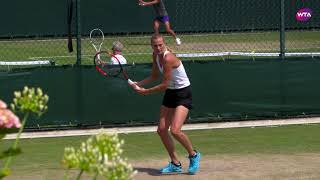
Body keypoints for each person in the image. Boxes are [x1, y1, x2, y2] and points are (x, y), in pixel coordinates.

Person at [130, 34, 200, 174]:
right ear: (152, 46)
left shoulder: (168, 58)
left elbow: (163, 84)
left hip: (183, 93)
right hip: (171, 93)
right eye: (155, 45)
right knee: (161, 130)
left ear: (165, 43)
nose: (158, 47)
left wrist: (145, 91)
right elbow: (154, 76)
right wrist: (138, 83)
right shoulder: (155, 56)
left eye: (160, 45)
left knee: (175, 130)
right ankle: (175, 163)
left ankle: (194, 155)